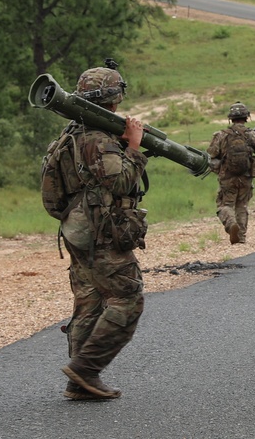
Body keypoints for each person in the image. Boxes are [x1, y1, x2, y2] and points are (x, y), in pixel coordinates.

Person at [57, 64, 148, 400]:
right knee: (128, 299)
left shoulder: (71, 134)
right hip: (101, 233)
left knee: (90, 304)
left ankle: (79, 384)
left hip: (76, 229)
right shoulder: (98, 139)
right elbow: (121, 179)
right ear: (114, 98)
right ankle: (84, 370)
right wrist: (135, 147)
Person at [208, 102, 255, 244]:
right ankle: (240, 237)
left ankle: (230, 224)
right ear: (246, 117)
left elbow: (211, 154)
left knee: (225, 205)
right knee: (242, 205)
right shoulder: (251, 135)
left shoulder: (221, 135)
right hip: (246, 177)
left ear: (231, 118)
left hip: (227, 178)